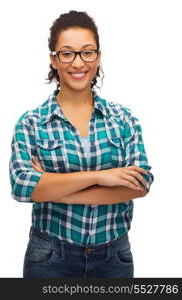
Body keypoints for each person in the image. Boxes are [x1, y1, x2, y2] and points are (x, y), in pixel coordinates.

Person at [9, 10, 154, 278]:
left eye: (87, 52)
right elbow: (21, 186)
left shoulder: (123, 119)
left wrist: (50, 186)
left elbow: (141, 183)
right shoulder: (31, 123)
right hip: (50, 258)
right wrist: (103, 177)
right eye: (67, 53)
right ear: (54, 60)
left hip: (114, 259)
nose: (78, 63)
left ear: (97, 57)